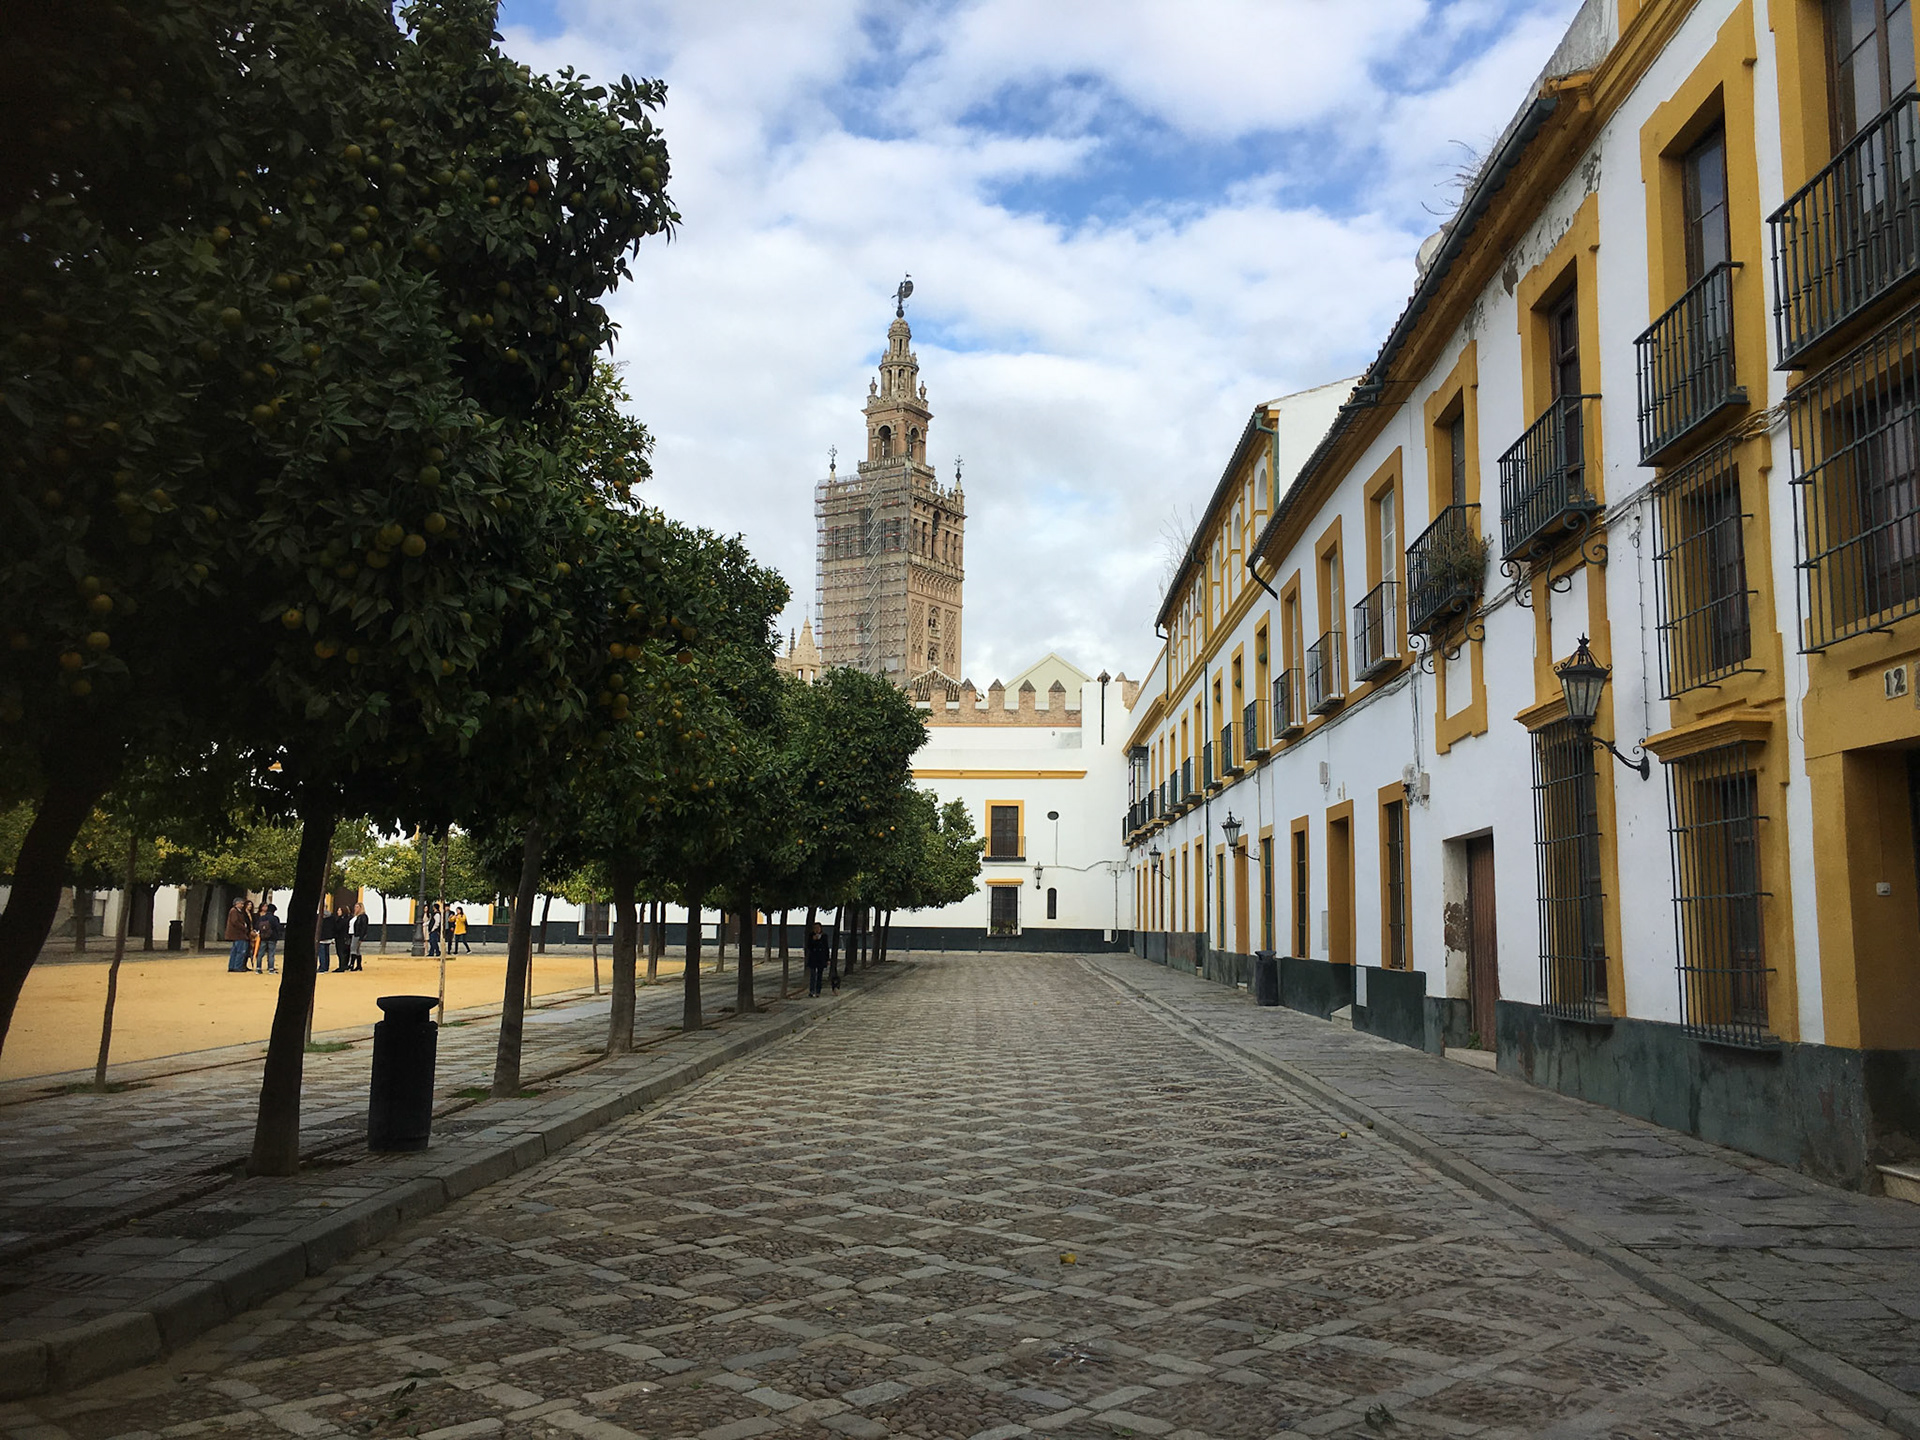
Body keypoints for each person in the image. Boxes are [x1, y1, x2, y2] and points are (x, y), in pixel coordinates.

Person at [225, 898, 252, 973]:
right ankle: (237, 966)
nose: (242, 905)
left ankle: (232, 966)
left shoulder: (237, 911)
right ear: (237, 904)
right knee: (241, 951)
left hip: (237, 934)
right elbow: (235, 922)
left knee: (235, 951)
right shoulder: (234, 911)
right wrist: (244, 927)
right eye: (241, 903)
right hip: (238, 934)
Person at [803, 920, 830, 997]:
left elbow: (826, 947)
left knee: (819, 975)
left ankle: (818, 991)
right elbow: (809, 946)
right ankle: (812, 990)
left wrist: (827, 959)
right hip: (813, 957)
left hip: (821, 957)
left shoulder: (824, 936)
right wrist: (813, 940)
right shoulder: (811, 936)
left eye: (818, 928)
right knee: (813, 974)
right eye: (815, 928)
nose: (817, 930)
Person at [255, 903, 282, 974]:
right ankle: (271, 969)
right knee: (271, 953)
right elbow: (278, 927)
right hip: (272, 937)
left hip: (263, 937)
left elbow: (257, 926)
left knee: (260, 953)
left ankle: (258, 968)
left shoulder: (262, 918)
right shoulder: (275, 918)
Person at [349, 902, 369, 971]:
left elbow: (364, 927)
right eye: (355, 907)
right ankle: (358, 965)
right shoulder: (355, 916)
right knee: (357, 950)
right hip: (352, 933)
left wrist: (361, 937)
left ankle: (352, 964)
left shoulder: (363, 916)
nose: (355, 908)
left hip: (357, 934)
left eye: (357, 907)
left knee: (353, 948)